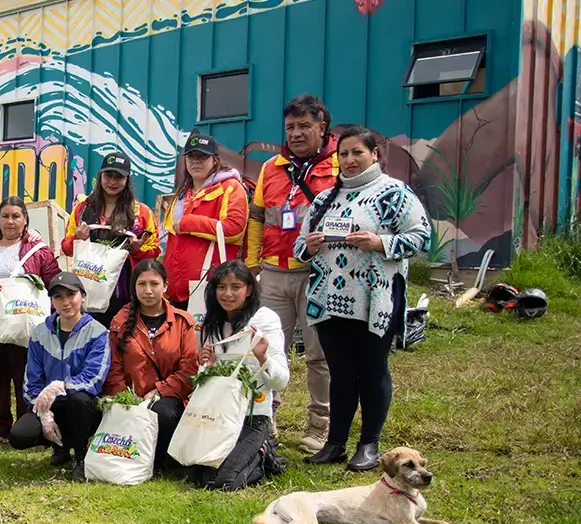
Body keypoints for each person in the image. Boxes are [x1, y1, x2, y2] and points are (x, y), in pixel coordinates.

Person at [295, 126, 430, 472]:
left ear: (374, 155)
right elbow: (298, 248)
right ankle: (335, 442)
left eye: (357, 153)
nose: (350, 160)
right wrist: (308, 247)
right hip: (329, 300)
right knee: (340, 372)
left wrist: (380, 243)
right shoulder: (325, 199)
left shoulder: (394, 193)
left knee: (372, 370)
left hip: (376, 297)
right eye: (343, 154)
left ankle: (368, 443)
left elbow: (422, 236)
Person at [243, 95, 339, 454]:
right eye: (290, 127)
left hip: (318, 275)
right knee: (264, 350)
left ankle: (319, 425)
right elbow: (256, 218)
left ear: (321, 128)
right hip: (272, 273)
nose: (296, 134)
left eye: (304, 126)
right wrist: (253, 264)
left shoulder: (338, 166)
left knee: (318, 354)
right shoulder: (271, 167)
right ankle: (267, 421)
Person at [0, 196, 62, 448]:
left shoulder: (38, 250)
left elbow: (53, 281)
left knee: (25, 377)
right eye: (5, 216)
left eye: (16, 216)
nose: (10, 221)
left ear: (25, 219)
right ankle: (0, 428)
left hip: (25, 325)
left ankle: (27, 426)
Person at [188, 260, 289, 491]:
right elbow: (208, 383)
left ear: (249, 289)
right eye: (221, 287)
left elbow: (281, 381)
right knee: (198, 477)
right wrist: (207, 365)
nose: (228, 294)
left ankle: (264, 450)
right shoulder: (211, 323)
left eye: (236, 287)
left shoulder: (264, 320)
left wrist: (263, 358)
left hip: (252, 416)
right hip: (219, 415)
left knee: (224, 482)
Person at [9, 272, 109, 482]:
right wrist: (43, 412)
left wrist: (60, 386)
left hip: (82, 406)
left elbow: (94, 378)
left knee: (79, 400)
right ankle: (60, 447)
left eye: (71, 294)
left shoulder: (98, 332)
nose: (65, 302)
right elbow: (31, 381)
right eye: (58, 297)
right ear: (52, 301)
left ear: (82, 295)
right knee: (19, 436)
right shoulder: (40, 333)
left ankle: (79, 457)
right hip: (50, 406)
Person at [104, 259, 198, 474]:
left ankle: (162, 461)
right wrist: (124, 399)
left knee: (163, 412)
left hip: (169, 397)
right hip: (131, 397)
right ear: (134, 287)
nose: (148, 290)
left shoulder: (183, 322)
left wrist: (159, 391)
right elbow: (114, 368)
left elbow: (189, 369)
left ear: (165, 286)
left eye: (154, 284)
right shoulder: (119, 321)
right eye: (142, 284)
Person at [62, 151, 161, 327]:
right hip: (89, 284)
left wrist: (137, 250)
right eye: (108, 175)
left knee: (121, 339)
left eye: (119, 177)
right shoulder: (82, 209)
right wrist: (78, 238)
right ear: (100, 176)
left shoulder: (142, 212)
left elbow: (155, 252)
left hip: (124, 289)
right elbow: (66, 247)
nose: (113, 182)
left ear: (127, 180)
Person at [162, 132, 247, 309]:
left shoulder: (230, 188)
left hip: (212, 288)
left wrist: (189, 223)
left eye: (202, 157)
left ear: (215, 160)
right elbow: (172, 239)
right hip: (175, 291)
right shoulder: (181, 193)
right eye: (191, 157)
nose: (196, 161)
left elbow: (234, 229)